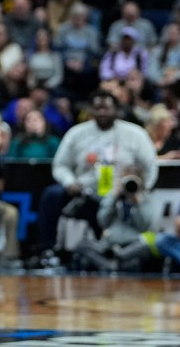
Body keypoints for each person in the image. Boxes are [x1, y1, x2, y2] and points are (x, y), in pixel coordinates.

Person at [36, 89, 158, 254]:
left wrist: (139, 190)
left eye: (107, 107)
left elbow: (151, 165)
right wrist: (69, 182)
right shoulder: (77, 133)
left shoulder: (135, 134)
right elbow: (60, 165)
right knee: (51, 195)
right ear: (90, 110)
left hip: (120, 196)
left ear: (117, 110)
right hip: (85, 193)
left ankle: (116, 250)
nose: (102, 111)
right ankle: (48, 250)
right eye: (98, 107)